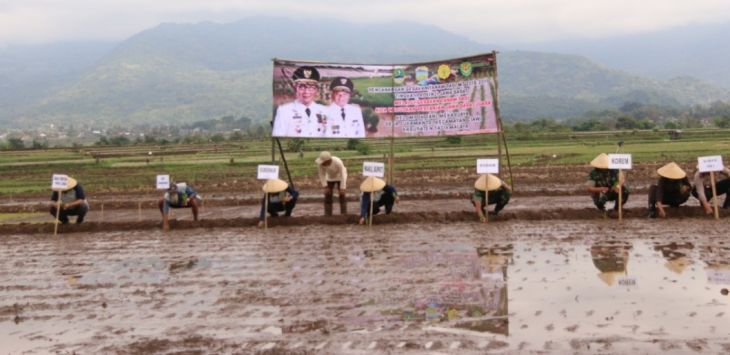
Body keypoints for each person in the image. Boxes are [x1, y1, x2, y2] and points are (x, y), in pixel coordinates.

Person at [272, 66, 329, 137]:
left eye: (311, 88)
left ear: (316, 90)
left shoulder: (325, 111)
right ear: (295, 88)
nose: (306, 92)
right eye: (302, 87)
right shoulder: (284, 111)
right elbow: (278, 137)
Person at [316, 151, 348, 216]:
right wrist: (325, 186)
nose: (322, 163)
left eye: (323, 162)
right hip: (330, 177)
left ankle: (344, 214)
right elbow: (321, 174)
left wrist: (342, 188)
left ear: (328, 160)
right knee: (327, 194)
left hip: (340, 177)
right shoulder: (321, 164)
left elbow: (343, 175)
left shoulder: (338, 162)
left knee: (342, 194)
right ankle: (328, 214)